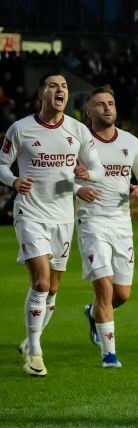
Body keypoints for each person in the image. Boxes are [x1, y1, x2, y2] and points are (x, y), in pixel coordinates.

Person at [0, 72, 103, 376]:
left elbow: (96, 165)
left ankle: (30, 339)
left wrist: (88, 175)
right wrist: (14, 180)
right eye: (53, 86)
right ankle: (34, 351)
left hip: (63, 218)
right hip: (30, 214)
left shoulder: (78, 130)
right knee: (42, 281)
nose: (60, 90)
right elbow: (2, 164)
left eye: (65, 86)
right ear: (41, 93)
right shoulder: (20, 129)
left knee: (54, 288)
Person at [78, 86, 138, 368]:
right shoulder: (79, 142)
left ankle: (93, 313)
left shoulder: (131, 142)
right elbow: (59, 174)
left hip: (122, 223)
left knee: (122, 294)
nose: (106, 108)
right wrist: (77, 188)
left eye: (110, 103)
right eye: (99, 105)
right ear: (89, 112)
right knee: (105, 288)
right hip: (92, 221)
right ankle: (109, 355)